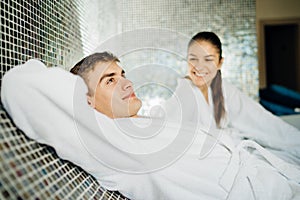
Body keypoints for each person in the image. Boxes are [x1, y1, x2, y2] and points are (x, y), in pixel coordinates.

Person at [2, 52, 300, 200]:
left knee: (207, 83)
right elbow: (20, 84)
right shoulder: (108, 143)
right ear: (86, 102)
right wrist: (82, 91)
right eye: (110, 80)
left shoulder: (139, 124)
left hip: (264, 165)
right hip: (264, 191)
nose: (127, 82)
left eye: (122, 74)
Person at [162, 31, 300, 165]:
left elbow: (259, 119)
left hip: (226, 153)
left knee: (278, 161)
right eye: (193, 59)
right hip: (204, 160)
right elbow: (166, 124)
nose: (199, 66)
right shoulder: (185, 92)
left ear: (220, 63)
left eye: (208, 59)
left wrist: (296, 140)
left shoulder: (223, 88)